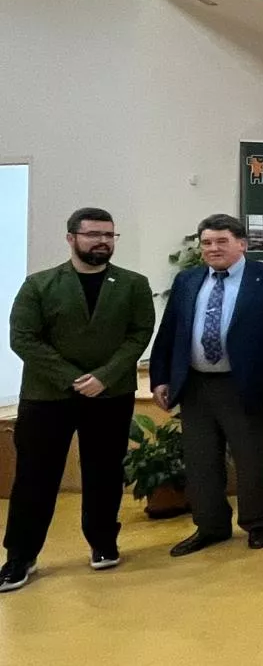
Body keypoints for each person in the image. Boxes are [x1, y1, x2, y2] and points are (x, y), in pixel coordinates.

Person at [1, 208, 154, 593]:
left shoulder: (132, 284)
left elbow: (139, 334)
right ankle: (21, 556)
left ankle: (103, 542)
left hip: (110, 394)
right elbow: (23, 339)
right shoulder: (39, 284)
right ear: (71, 238)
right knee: (35, 477)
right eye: (93, 234)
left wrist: (104, 376)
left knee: (103, 471)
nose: (102, 241)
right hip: (47, 396)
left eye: (109, 235)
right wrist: (72, 378)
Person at [149, 213, 263, 557]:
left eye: (222, 241)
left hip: (248, 384)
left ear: (242, 244)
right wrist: (160, 377)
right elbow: (169, 331)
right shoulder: (188, 280)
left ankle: (258, 523)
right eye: (206, 242)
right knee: (201, 461)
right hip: (196, 386)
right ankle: (210, 526)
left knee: (252, 459)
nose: (213, 248)